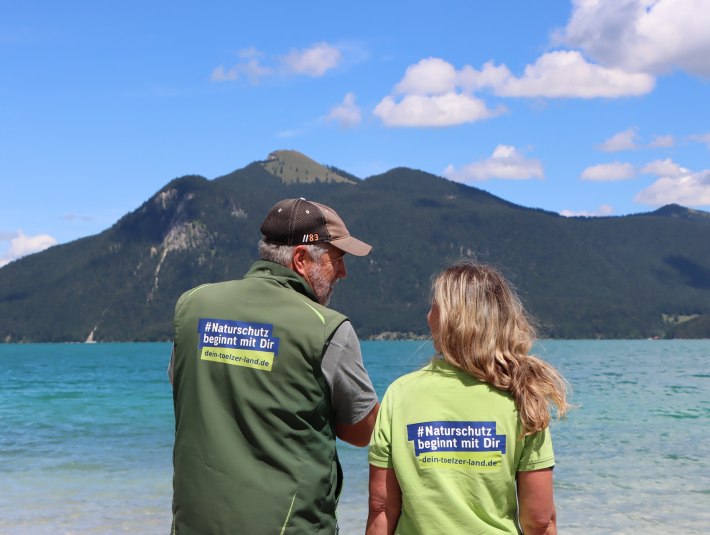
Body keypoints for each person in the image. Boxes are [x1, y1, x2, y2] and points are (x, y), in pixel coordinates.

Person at [169, 198, 380, 534]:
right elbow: (362, 430)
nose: (343, 272)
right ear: (300, 259)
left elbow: (183, 383)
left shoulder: (193, 305)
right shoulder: (327, 327)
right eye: (336, 260)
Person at [367, 261, 570, 535]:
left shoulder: (399, 394)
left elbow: (382, 510)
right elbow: (540, 522)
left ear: (450, 319)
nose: (428, 316)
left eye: (434, 307)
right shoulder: (522, 396)